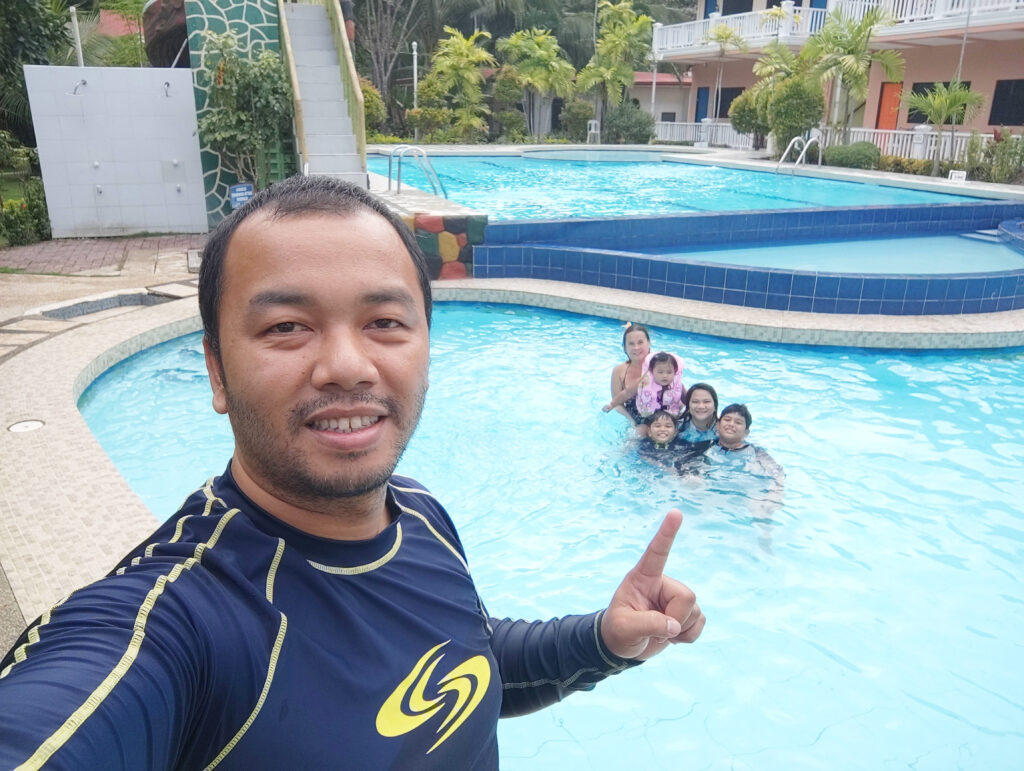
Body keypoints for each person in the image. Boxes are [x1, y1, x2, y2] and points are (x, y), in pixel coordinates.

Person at [0, 177, 704, 769]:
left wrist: (602, 641)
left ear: (426, 346)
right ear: (216, 369)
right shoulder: (182, 622)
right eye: (286, 327)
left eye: (385, 322)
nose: (347, 364)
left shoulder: (419, 513)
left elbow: (465, 660)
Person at [605, 351, 684, 437]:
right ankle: (625, 449)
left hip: (669, 419)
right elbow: (627, 393)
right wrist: (612, 404)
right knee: (639, 431)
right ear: (652, 371)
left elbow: (688, 398)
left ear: (675, 372)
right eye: (660, 372)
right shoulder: (644, 381)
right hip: (647, 418)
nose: (665, 375)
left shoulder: (677, 385)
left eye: (669, 372)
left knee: (680, 429)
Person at [605, 323, 651, 426]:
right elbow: (617, 404)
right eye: (631, 343)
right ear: (624, 348)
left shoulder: (659, 366)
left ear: (648, 344)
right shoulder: (618, 371)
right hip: (633, 418)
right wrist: (632, 423)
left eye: (640, 342)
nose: (636, 347)